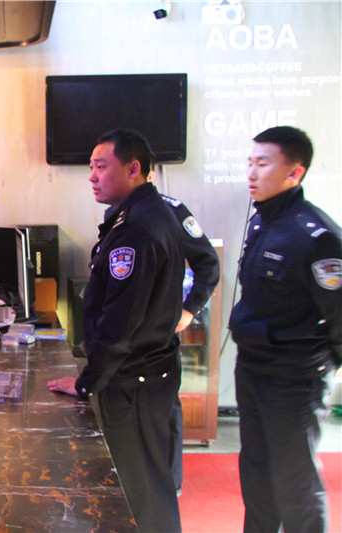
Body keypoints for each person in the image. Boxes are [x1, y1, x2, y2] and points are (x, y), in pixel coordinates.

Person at [47, 128, 184, 532]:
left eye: (101, 167)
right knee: (150, 482)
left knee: (140, 491)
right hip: (147, 374)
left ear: (133, 169)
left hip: (134, 382)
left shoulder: (136, 229)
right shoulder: (146, 213)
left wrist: (87, 383)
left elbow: (119, 324)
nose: (92, 176)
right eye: (91, 167)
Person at [229, 126, 341, 533]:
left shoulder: (316, 236)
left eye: (263, 164)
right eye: (250, 163)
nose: (251, 173)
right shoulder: (263, 222)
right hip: (253, 368)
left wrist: (320, 368)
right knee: (256, 474)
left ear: (295, 172)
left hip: (293, 378)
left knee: (295, 482)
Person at [105, 174, 221, 493]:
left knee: (164, 413)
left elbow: (208, 263)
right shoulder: (116, 212)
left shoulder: (171, 210)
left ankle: (170, 486)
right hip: (127, 337)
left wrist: (190, 309)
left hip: (157, 335)